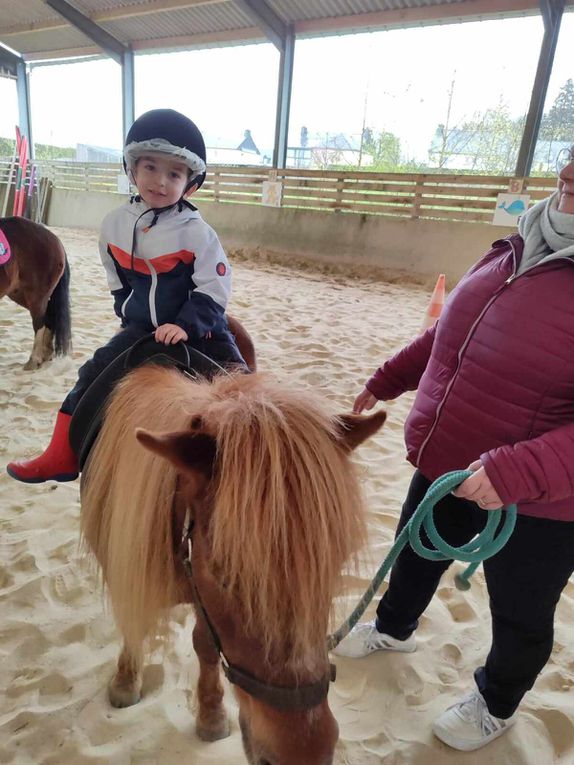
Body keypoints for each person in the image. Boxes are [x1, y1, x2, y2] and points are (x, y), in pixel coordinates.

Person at [334, 145, 574, 752]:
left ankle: (497, 703)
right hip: (451, 459)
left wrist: (517, 469)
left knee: (521, 611)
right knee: (414, 552)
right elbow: (448, 333)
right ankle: (394, 627)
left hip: (540, 498)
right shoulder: (516, 244)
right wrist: (387, 377)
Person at [7, 108, 245, 484]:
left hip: (200, 331)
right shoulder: (115, 224)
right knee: (90, 376)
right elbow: (115, 275)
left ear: (190, 184)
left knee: (244, 389)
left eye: (174, 173)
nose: (160, 181)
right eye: (150, 167)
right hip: (140, 330)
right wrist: (127, 312)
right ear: (131, 169)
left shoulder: (198, 234)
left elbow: (214, 290)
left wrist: (184, 325)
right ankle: (62, 454)